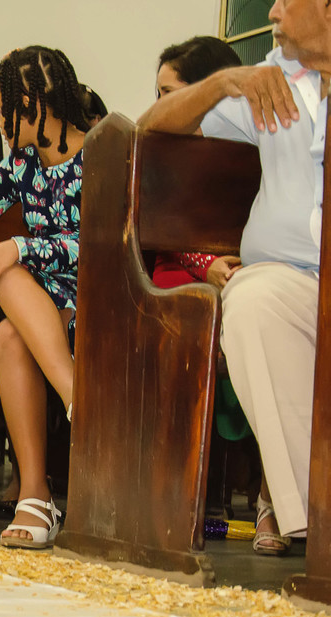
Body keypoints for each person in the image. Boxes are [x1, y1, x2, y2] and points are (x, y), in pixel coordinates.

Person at [139, 0, 327, 556]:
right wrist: (225, 82)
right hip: (294, 282)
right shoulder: (272, 81)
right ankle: (315, 516)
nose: (272, 9)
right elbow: (152, 127)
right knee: (251, 301)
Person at [0, 46, 90, 550]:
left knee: (8, 322)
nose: (0, 121)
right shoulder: (23, 165)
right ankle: (76, 402)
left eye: (3, 106)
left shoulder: (101, 153)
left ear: (29, 103)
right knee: (7, 311)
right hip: (43, 299)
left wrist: (22, 247)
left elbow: (103, 245)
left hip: (98, 295)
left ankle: (38, 491)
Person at [149, 36, 244, 289]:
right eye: (158, 94)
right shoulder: (162, 153)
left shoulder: (249, 146)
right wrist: (205, 265)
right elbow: (162, 226)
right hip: (177, 271)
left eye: (168, 93)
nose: (159, 105)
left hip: (240, 267)